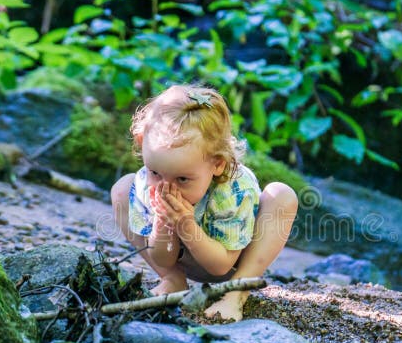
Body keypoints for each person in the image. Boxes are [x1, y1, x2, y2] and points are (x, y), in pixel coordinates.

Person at [110, 84, 298, 321]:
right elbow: (162, 257)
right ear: (141, 141)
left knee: (282, 195)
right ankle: (173, 280)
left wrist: (187, 226)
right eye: (155, 172)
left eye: (182, 179)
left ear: (217, 164)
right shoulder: (150, 184)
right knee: (122, 189)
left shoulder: (232, 190)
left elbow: (220, 266)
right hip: (179, 258)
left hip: (231, 260)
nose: (166, 187)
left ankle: (236, 294)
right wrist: (163, 224)